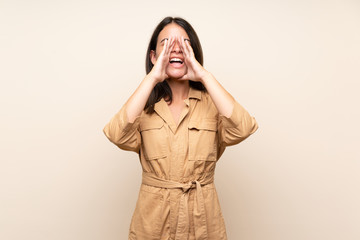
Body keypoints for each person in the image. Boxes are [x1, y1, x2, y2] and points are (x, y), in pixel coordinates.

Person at [103, 16, 258, 240]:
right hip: (153, 223)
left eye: (184, 43)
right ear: (154, 56)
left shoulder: (212, 104)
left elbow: (244, 128)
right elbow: (116, 134)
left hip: (203, 222)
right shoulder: (143, 106)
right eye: (166, 43)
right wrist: (152, 78)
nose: (175, 49)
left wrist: (204, 76)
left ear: (193, 53)